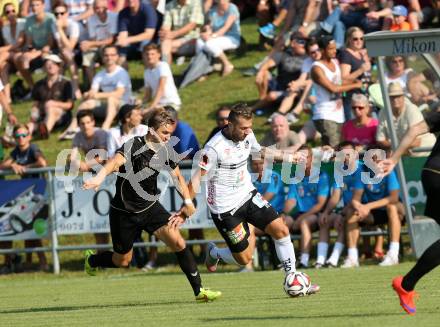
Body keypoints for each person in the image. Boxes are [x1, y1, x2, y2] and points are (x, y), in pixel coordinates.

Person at [82, 107, 222, 302]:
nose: (168, 137)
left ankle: (200, 291)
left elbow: (178, 178)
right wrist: (98, 178)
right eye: (164, 133)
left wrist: (188, 201)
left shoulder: (166, 151)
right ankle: (92, 260)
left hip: (150, 208)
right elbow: (114, 162)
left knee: (179, 243)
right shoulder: (134, 145)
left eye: (170, 133)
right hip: (124, 212)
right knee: (123, 261)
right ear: (151, 130)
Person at [186, 104, 319, 295]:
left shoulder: (248, 134)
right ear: (230, 124)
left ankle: (293, 277)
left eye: (250, 127)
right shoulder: (213, 149)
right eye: (243, 128)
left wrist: (289, 157)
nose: (248, 131)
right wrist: (187, 204)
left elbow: (261, 151)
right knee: (244, 258)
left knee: (281, 229)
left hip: (248, 195)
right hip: (225, 209)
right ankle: (214, 253)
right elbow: (197, 177)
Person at [379, 93, 440, 316]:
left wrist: (394, 159)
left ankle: (406, 285)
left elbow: (414, 129)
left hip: (430, 173)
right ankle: (406, 284)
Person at [343, 146, 404, 268]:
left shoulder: (389, 171)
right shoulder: (362, 172)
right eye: (372, 158)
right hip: (373, 213)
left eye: (378, 158)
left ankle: (393, 254)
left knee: (391, 207)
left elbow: (393, 198)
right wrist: (359, 207)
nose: (376, 161)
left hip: (396, 210)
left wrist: (368, 206)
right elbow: (355, 198)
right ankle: (352, 257)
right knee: (351, 213)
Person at [0, 124, 49, 272]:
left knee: (33, 231)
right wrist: (13, 165)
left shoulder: (33, 148)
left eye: (23, 135)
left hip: (38, 193)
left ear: (29, 136)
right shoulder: (16, 151)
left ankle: (43, 262)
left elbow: (43, 162)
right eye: (17, 136)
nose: (21, 139)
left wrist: (24, 166)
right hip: (26, 195)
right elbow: (2, 165)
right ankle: (27, 262)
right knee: (25, 229)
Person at [60, 45, 132, 139]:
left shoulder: (121, 73)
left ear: (117, 56)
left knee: (111, 99)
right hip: (108, 106)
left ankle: (105, 127)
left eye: (112, 55)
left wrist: (97, 95)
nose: (109, 57)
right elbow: (93, 91)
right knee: (86, 103)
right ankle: (72, 129)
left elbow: (118, 93)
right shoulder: (100, 74)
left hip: (124, 106)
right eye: (106, 55)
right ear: (102, 57)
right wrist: (88, 95)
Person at [283, 145, 330, 268]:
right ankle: (287, 261)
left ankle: (304, 260)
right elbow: (291, 201)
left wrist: (301, 217)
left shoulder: (321, 176)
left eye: (306, 157)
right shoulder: (296, 177)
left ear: (312, 159)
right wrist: (283, 215)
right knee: (282, 224)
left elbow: (320, 204)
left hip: (315, 214)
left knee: (304, 222)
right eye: (300, 158)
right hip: (300, 214)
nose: (302, 161)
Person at [311, 36, 362, 147]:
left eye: (335, 48)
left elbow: (339, 82)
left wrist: (354, 80)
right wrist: (355, 85)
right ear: (322, 50)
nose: (334, 51)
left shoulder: (335, 62)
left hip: (338, 115)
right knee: (335, 151)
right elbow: (333, 88)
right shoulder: (316, 68)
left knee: (337, 150)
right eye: (330, 49)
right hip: (324, 114)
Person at [316, 141, 360, 268]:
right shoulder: (340, 171)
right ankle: (320, 260)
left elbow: (359, 199)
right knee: (325, 219)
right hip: (347, 210)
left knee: (344, 220)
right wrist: (326, 212)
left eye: (348, 154)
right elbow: (336, 195)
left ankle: (335, 259)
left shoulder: (361, 169)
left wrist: (342, 213)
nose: (345, 157)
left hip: (361, 209)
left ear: (356, 154)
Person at [376, 82, 436, 157]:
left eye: (398, 96)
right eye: (392, 97)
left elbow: (416, 142)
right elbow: (380, 140)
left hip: (426, 153)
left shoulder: (412, 110)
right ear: (387, 98)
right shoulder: (383, 112)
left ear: (403, 97)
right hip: (404, 154)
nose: (395, 100)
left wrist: (396, 151)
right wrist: (396, 148)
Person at [255, 32, 306, 113]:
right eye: (301, 42)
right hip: (279, 85)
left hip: (293, 90)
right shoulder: (283, 54)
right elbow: (267, 64)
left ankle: (254, 108)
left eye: (305, 42)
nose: (304, 45)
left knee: (272, 96)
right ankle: (263, 99)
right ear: (293, 43)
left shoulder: (308, 58)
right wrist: (260, 73)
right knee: (264, 73)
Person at [29, 54, 74, 139]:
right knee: (31, 124)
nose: (50, 66)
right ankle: (21, 137)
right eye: (47, 64)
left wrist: (54, 104)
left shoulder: (66, 83)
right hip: (42, 115)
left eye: (53, 64)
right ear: (44, 68)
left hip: (62, 116)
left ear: (58, 67)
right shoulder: (38, 84)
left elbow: (70, 105)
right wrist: (33, 115)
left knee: (52, 110)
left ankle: (45, 132)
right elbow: (36, 104)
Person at [14, 0, 55, 92]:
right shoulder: (29, 20)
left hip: (49, 49)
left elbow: (50, 43)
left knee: (25, 58)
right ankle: (32, 87)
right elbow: (29, 42)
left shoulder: (50, 18)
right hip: (35, 49)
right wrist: (30, 49)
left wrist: (37, 52)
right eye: (32, 5)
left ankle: (39, 89)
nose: (34, 7)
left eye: (37, 5)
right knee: (17, 57)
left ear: (43, 5)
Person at [196, 0, 241, 76]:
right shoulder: (213, 11)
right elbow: (209, 27)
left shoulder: (232, 8)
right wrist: (206, 33)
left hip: (231, 38)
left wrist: (212, 36)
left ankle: (227, 64)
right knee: (199, 42)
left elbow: (226, 27)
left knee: (209, 44)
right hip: (217, 38)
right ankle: (201, 69)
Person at [81, 0, 118, 86]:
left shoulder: (113, 16)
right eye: (97, 8)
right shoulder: (91, 20)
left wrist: (90, 44)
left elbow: (111, 39)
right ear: (93, 9)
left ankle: (112, 83)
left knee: (107, 52)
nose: (100, 10)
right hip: (97, 44)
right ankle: (94, 85)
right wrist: (87, 45)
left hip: (111, 45)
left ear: (107, 8)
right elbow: (93, 38)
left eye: (103, 7)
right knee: (87, 56)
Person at [339, 27, 371, 120]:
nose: (359, 41)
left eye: (361, 38)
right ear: (349, 39)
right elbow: (343, 80)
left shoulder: (361, 53)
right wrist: (360, 70)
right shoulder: (346, 54)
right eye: (355, 39)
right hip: (352, 99)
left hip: (365, 97)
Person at [159, 0, 204, 65]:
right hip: (175, 38)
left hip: (191, 38)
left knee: (165, 46)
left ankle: (165, 69)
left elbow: (192, 25)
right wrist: (165, 33)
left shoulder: (196, 2)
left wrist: (173, 34)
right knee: (165, 41)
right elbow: (166, 25)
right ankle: (166, 68)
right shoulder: (169, 6)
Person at [52, 1, 81, 97]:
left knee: (68, 56)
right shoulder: (54, 25)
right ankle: (60, 89)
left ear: (67, 14)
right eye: (56, 14)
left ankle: (75, 88)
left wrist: (60, 30)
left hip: (78, 49)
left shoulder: (73, 25)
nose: (59, 16)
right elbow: (60, 46)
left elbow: (71, 46)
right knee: (62, 58)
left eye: (62, 13)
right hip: (63, 51)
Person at [116, 0, 157, 66]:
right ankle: (121, 72)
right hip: (133, 42)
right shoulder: (123, 13)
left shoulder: (148, 9)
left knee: (145, 44)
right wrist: (123, 40)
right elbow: (122, 36)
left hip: (151, 41)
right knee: (121, 47)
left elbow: (149, 35)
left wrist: (127, 39)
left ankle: (149, 70)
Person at [143, 44, 181, 111]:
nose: (149, 56)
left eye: (152, 54)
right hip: (159, 104)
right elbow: (148, 95)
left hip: (171, 103)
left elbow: (161, 89)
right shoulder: (147, 72)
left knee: (149, 114)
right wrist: (140, 104)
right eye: (147, 54)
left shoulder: (163, 66)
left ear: (159, 55)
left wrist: (151, 107)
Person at [0, 2, 25, 103]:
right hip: (11, 54)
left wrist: (2, 49)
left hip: (22, 52)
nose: (11, 13)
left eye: (13, 11)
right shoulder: (5, 28)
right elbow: (9, 47)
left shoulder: (22, 23)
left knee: (3, 55)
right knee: (3, 66)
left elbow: (20, 43)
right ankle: (7, 97)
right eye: (8, 12)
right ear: (5, 15)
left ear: (16, 11)